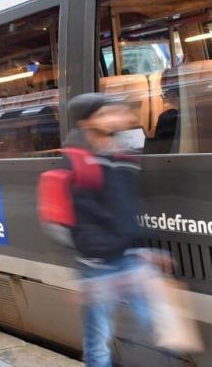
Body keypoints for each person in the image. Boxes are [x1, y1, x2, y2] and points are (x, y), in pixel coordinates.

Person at [64, 93, 168, 367]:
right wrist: (96, 265)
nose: (117, 117)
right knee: (99, 337)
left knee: (158, 325)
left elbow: (126, 208)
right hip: (97, 266)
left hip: (129, 257)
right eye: (106, 113)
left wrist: (142, 248)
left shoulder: (123, 156)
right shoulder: (79, 161)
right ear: (87, 122)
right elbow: (79, 219)